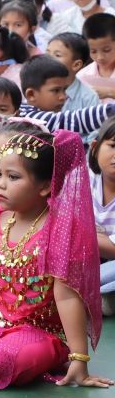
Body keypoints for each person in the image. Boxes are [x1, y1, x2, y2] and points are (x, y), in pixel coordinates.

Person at [0, 130, 113, 390]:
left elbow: (67, 296)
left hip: (39, 333)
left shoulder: (61, 228)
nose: (0, 184)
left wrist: (79, 358)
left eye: (13, 177)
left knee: (1, 362)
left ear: (46, 186)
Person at [89, 117, 115, 315]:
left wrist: (83, 233)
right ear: (95, 147)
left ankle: (95, 298)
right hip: (86, 263)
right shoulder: (83, 179)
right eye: (113, 145)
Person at [46, 33, 101, 113]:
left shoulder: (88, 97)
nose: (48, 59)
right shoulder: (39, 86)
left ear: (76, 65)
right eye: (47, 53)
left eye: (57, 55)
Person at [78, 13, 115, 103]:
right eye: (93, 51)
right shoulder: (83, 76)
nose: (100, 57)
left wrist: (110, 93)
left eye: (106, 50)